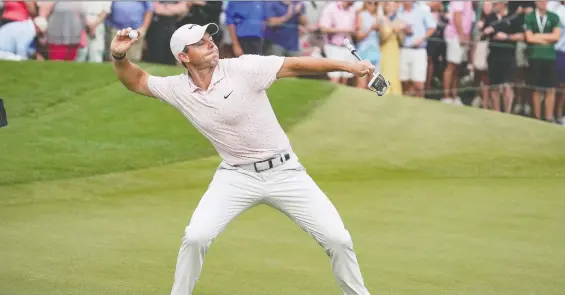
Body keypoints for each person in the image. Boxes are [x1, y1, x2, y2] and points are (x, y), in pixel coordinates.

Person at [109, 23, 376, 295]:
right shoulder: (178, 89)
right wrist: (119, 56)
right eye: (200, 43)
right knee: (196, 237)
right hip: (236, 176)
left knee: (338, 239)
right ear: (184, 57)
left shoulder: (243, 68)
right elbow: (137, 80)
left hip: (285, 171)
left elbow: (295, 65)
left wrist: (348, 67)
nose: (211, 43)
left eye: (210, 38)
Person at [482, 0, 524, 113]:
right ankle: (496, 111)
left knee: (507, 84)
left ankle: (507, 112)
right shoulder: (491, 17)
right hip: (494, 54)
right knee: (494, 84)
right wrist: (486, 31)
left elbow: (521, 35)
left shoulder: (513, 16)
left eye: (496, 4)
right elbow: (483, 32)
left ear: (503, 4)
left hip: (508, 54)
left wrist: (507, 37)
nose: (494, 6)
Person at [524, 0, 561, 122]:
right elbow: (529, 37)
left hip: (550, 56)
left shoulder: (553, 17)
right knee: (536, 88)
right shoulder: (529, 17)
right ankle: (537, 117)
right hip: (535, 56)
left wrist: (538, 36)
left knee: (550, 88)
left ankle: (549, 117)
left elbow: (556, 36)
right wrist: (547, 39)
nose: (543, 2)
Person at [396, 1, 437, 98]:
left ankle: (419, 107)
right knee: (405, 82)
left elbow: (432, 27)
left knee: (418, 84)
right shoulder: (399, 12)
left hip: (418, 50)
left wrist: (422, 38)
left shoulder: (421, 10)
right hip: (404, 49)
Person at [442, 0, 474, 105]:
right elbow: (457, 15)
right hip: (455, 35)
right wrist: (461, 34)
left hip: (463, 35)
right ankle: (446, 96)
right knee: (451, 65)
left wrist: (466, 35)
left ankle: (454, 96)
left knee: (457, 67)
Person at [355, 1, 381, 90]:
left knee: (373, 84)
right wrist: (370, 29)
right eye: (370, 3)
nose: (373, 5)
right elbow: (358, 36)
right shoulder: (361, 15)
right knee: (362, 83)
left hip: (375, 50)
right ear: (366, 3)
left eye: (376, 3)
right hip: (364, 50)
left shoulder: (377, 17)